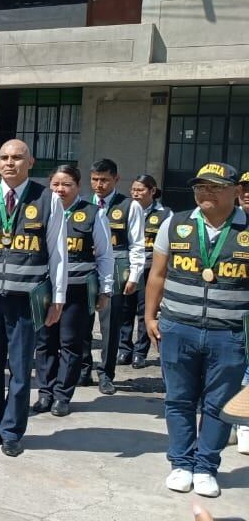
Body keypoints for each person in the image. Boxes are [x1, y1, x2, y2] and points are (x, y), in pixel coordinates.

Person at [145, 162, 249, 498]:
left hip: (230, 334)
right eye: (200, 186)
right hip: (178, 328)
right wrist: (150, 318)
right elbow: (158, 275)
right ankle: (180, 463)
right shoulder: (175, 224)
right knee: (179, 400)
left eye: (214, 186)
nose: (205, 192)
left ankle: (205, 467)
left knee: (220, 405)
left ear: (236, 191)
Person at [0, 139, 67, 458]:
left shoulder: (48, 200)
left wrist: (58, 297)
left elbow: (58, 253)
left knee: (20, 369)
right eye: (4, 157)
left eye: (17, 158)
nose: (10, 163)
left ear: (30, 162)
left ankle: (12, 431)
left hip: (26, 299)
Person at [33, 165, 113, 418]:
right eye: (55, 184)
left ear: (78, 187)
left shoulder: (93, 214)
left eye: (66, 184)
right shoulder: (41, 211)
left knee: (70, 343)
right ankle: (45, 392)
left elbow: (104, 256)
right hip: (45, 290)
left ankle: (62, 395)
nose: (59, 190)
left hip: (77, 290)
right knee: (45, 342)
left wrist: (105, 289)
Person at [87, 159, 145, 395]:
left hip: (116, 269)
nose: (99, 185)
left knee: (110, 325)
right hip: (86, 269)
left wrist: (134, 275)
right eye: (95, 180)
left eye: (104, 180)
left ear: (116, 179)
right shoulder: (84, 205)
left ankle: (106, 373)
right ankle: (82, 368)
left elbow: (137, 244)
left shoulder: (130, 206)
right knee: (82, 323)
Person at [124, 174, 170, 368]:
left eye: (141, 189)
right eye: (133, 189)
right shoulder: (125, 209)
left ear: (152, 191)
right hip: (128, 268)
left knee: (145, 311)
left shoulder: (165, 213)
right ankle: (123, 349)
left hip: (151, 268)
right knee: (125, 310)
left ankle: (140, 352)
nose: (136, 193)